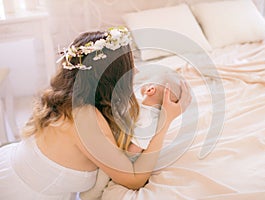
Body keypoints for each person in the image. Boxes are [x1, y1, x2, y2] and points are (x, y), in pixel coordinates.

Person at [0, 26, 191, 200]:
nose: (135, 71)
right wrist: (164, 121)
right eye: (129, 68)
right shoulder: (84, 118)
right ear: (112, 78)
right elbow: (134, 180)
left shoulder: (67, 98)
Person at [80, 68, 182, 200]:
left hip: (126, 156)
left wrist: (121, 156)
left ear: (150, 90)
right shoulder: (143, 108)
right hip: (118, 142)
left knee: (103, 174)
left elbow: (136, 147)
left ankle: (90, 196)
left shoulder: (148, 120)